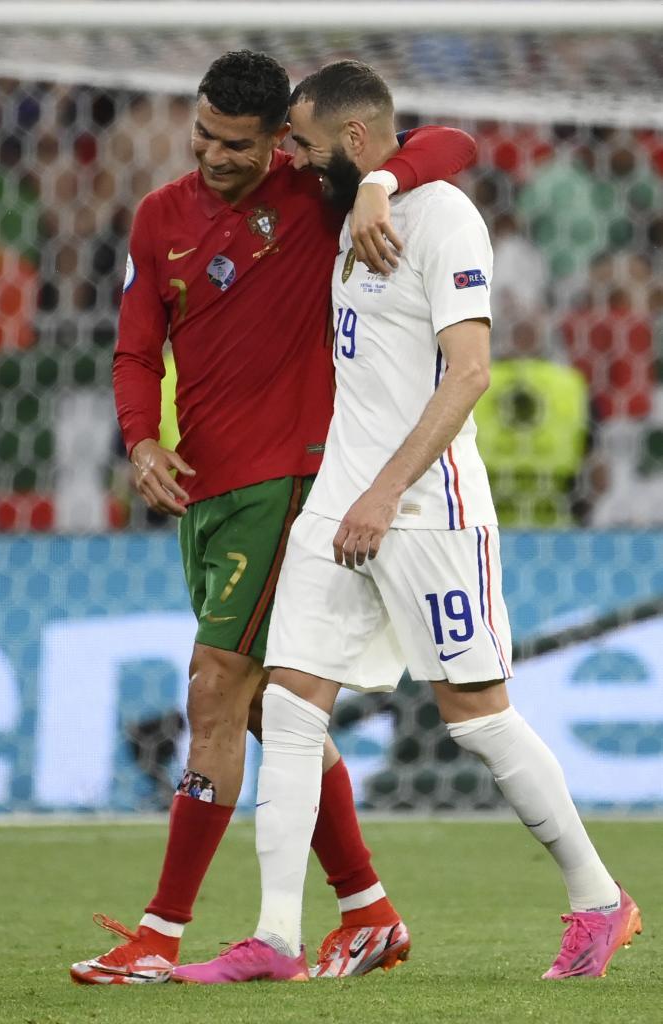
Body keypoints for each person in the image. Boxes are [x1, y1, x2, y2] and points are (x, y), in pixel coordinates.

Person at [173, 60, 642, 986]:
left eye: (308, 147)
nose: (296, 164)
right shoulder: (344, 210)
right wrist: (373, 183)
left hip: (425, 511)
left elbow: (469, 373)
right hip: (335, 505)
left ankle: (600, 900)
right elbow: (404, 146)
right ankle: (275, 937)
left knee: (477, 718)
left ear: (353, 143)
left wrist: (384, 493)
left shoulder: (444, 217)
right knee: (293, 705)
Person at [70, 50, 477, 985]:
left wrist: (377, 183)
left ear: (274, 142)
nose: (212, 154)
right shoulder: (157, 219)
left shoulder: (313, 190)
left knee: (216, 686)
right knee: (265, 711)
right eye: (203, 135)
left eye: (235, 144)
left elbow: (454, 143)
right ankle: (370, 911)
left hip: (289, 483)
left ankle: (159, 934)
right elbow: (137, 352)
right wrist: (140, 440)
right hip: (204, 493)